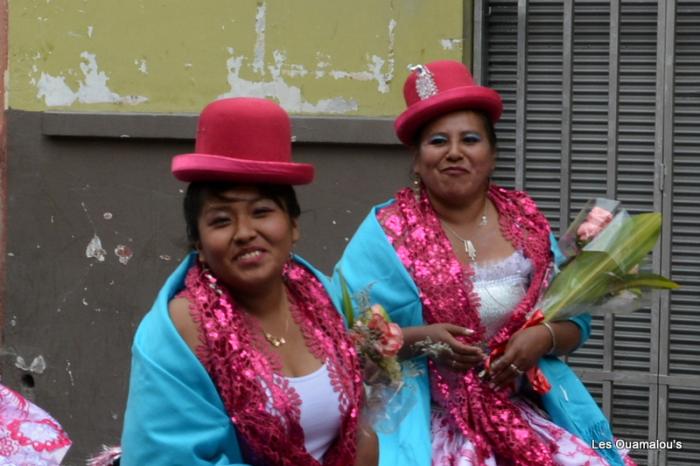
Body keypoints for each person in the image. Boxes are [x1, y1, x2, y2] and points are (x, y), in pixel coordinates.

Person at [334, 60, 636, 466]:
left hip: (527, 413)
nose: (454, 153)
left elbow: (576, 319)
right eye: (438, 141)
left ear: (492, 154)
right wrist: (423, 340)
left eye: (470, 139)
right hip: (423, 425)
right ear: (418, 159)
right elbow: (342, 336)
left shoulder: (525, 222)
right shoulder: (386, 231)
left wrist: (541, 339)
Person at [118, 98, 379, 466]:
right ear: (200, 245)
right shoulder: (178, 332)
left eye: (262, 212)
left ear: (293, 226)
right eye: (221, 220)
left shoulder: (321, 297)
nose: (245, 233)